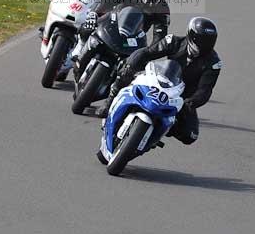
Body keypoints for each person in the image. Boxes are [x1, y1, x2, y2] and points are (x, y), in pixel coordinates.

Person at [95, 17, 223, 147]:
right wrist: (131, 65)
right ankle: (109, 102)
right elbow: (148, 52)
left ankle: (156, 133)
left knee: (190, 135)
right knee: (126, 72)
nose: (205, 45)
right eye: (202, 40)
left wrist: (191, 102)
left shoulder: (213, 63)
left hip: (181, 98)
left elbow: (205, 90)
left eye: (209, 41)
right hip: (161, 82)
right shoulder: (174, 42)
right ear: (191, 36)